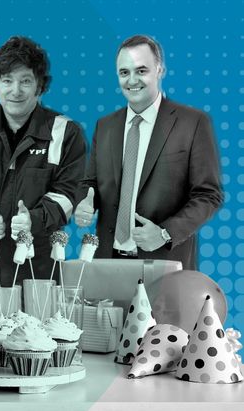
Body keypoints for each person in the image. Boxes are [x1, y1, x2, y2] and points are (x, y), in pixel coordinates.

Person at [0, 36, 86, 287]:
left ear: (40, 86)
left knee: (42, 316)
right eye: (7, 80)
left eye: (25, 81)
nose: (15, 90)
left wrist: (35, 219)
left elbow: (69, 193)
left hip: (41, 271)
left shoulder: (66, 132)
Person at [74, 35, 223, 270]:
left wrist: (165, 233)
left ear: (160, 70)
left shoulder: (193, 123)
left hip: (164, 262)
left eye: (141, 70)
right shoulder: (105, 126)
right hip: (108, 261)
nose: (132, 80)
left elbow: (208, 195)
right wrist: (84, 203)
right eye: (124, 72)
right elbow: (90, 182)